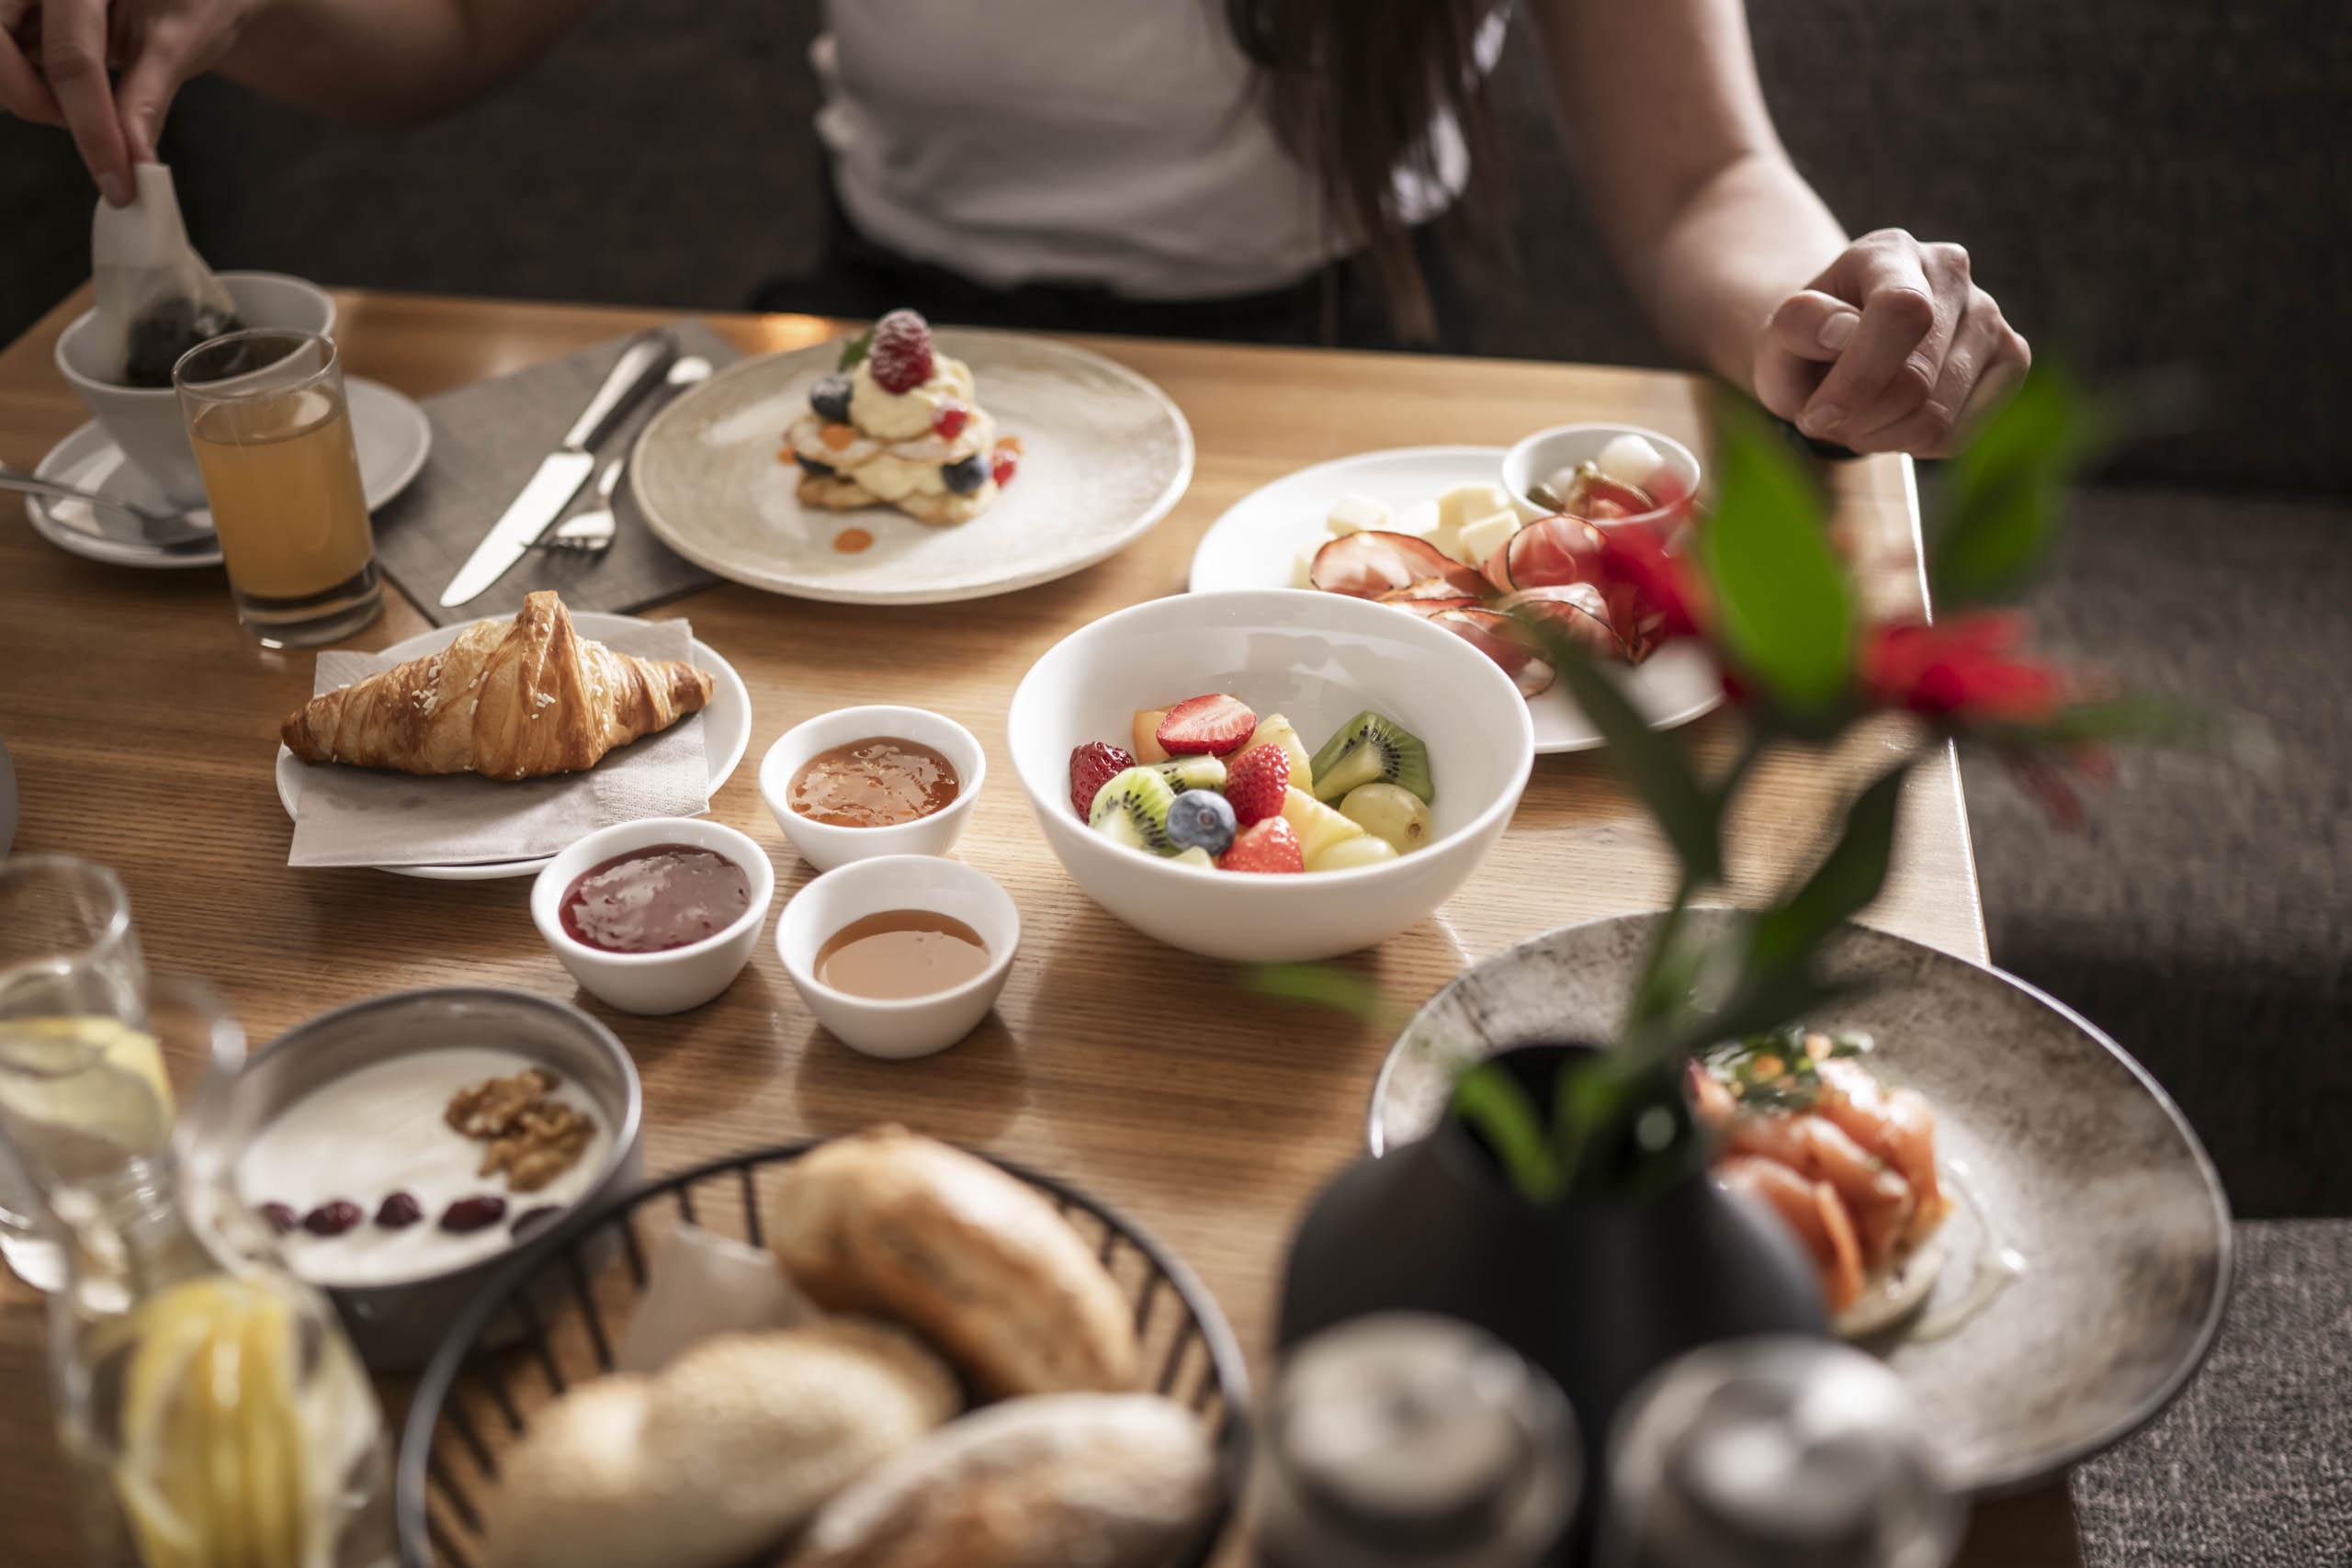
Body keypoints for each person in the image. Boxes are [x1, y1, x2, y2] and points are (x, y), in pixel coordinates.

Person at [0, 0, 2028, 456]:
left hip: (1322, 389)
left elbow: (1693, 182)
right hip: (873, 367)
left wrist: (1824, 297)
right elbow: (441, 34)